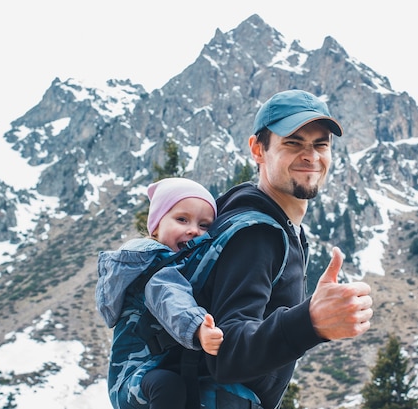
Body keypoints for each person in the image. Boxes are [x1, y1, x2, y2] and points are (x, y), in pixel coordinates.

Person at [149, 89, 374, 409]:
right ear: (258, 149)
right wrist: (310, 321)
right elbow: (226, 355)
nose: (311, 156)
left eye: (321, 143)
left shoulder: (256, 219)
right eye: (293, 142)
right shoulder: (257, 234)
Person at [96, 177, 224, 409]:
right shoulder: (155, 267)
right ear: (155, 226)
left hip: (148, 378)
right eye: (182, 219)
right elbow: (169, 295)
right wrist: (198, 327)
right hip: (135, 380)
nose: (194, 230)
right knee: (169, 386)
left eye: (204, 225)